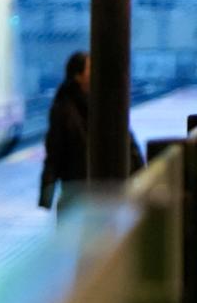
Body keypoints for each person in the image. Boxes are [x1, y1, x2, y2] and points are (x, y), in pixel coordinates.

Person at [39, 51, 144, 213]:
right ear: (78, 76)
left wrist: (141, 172)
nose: (96, 73)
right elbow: (54, 151)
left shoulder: (105, 102)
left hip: (104, 191)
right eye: (90, 69)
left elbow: (128, 141)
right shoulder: (63, 108)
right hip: (75, 191)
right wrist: (46, 194)